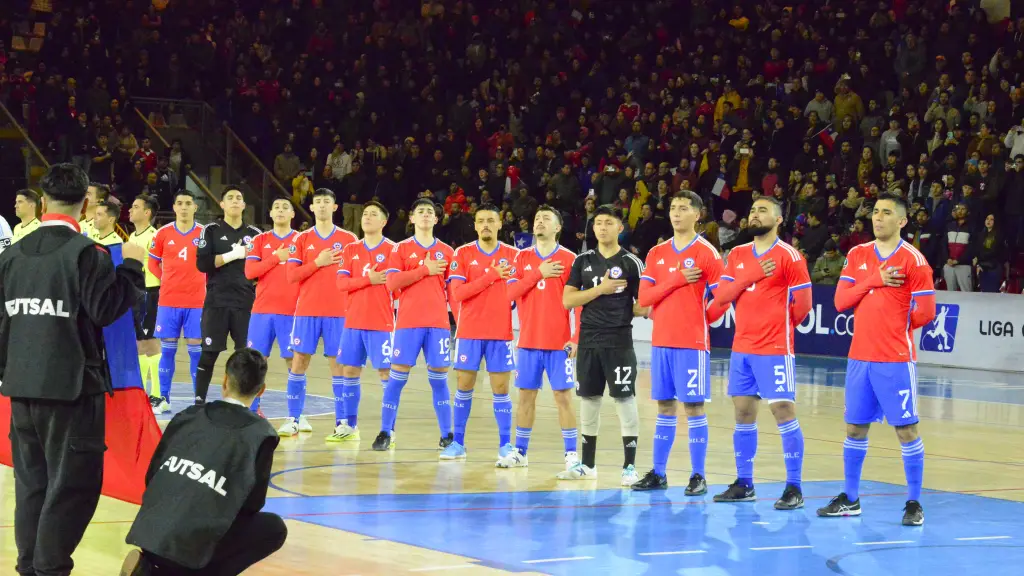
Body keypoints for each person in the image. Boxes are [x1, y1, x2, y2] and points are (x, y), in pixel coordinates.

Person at [0, 163, 145, 576]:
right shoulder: (86, 254)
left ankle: (29, 567)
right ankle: (49, 569)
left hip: (22, 389)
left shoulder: (11, 256)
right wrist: (132, 268)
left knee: (32, 488)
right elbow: (105, 310)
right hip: (71, 391)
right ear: (85, 205)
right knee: (72, 488)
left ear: (42, 202)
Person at [818, 192, 936, 526]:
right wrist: (875, 280)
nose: (878, 218)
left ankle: (914, 502)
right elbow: (841, 301)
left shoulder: (914, 260)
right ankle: (851, 499)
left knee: (906, 429)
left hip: (895, 359)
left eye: (886, 213)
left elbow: (926, 312)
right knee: (855, 428)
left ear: (902, 221)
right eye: (875, 213)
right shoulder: (857, 255)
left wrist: (894, 325)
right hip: (859, 358)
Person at [120, 348, 287, 576]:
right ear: (262, 390)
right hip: (189, 550)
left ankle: (151, 570)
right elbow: (252, 505)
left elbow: (152, 475)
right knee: (274, 529)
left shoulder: (188, 415)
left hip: (150, 534)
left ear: (225, 380)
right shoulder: (261, 434)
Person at [708, 196, 812, 510]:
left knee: (783, 412)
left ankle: (794, 486)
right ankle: (745, 482)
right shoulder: (738, 254)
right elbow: (722, 296)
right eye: (752, 210)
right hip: (742, 349)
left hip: (775, 349)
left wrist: (780, 329)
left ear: (779, 219)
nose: (755, 214)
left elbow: (804, 306)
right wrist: (750, 275)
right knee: (742, 413)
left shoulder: (789, 256)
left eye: (762, 210)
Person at [631, 191, 725, 494]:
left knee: (694, 408)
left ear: (697, 215)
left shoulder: (707, 253)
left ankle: (699, 475)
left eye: (683, 208)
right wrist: (677, 280)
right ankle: (659, 473)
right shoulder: (657, 253)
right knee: (665, 406)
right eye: (673, 207)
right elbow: (644, 299)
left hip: (691, 343)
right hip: (661, 342)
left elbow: (723, 297)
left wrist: (702, 319)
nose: (676, 213)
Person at [560, 205, 648, 485]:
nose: (602, 227)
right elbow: (567, 300)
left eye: (609, 223)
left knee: (624, 399)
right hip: (588, 340)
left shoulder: (632, 263)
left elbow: (643, 305)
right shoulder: (582, 260)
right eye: (598, 223)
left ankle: (629, 467)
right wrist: (601, 290)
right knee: (589, 399)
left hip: (619, 341)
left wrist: (631, 307)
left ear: (620, 228)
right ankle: (587, 464)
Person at [497, 205, 581, 474]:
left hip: (559, 344)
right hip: (529, 343)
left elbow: (578, 305)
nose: (540, 222)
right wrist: (539, 273)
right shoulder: (521, 258)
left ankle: (571, 455)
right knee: (525, 397)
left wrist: (576, 337)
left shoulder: (571, 258)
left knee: (564, 398)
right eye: (536, 219)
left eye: (546, 219)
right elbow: (509, 293)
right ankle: (520, 451)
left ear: (558, 227)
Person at [277, 188, 357, 436]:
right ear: (311, 208)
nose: (322, 205)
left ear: (335, 207)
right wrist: (317, 263)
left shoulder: (349, 239)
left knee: (339, 366)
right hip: (307, 312)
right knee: (299, 362)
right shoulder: (300, 240)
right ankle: (294, 418)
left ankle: (342, 423)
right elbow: (291, 276)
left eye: (327, 202)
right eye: (318, 202)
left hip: (339, 313)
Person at [378, 198, 455, 450]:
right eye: (419, 211)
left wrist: (461, 320)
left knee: (439, 380)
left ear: (436, 219)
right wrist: (425, 270)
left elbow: (452, 291)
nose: (424, 215)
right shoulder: (399, 249)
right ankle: (385, 431)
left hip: (439, 324)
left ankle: (447, 435)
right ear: (411, 219)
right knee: (396, 379)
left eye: (429, 212)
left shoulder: (448, 251)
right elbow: (391, 283)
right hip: (409, 323)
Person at [444, 204, 519, 460]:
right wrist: (492, 275)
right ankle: (458, 443)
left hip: (501, 333)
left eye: (490, 220)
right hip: (469, 332)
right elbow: (458, 293)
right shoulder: (462, 254)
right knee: (464, 386)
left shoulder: (514, 255)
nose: (485, 224)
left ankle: (505, 446)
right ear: (475, 226)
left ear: (500, 224)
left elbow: (520, 293)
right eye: (480, 221)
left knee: (501, 389)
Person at [332, 201, 395, 444]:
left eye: (373, 214)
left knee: (386, 373)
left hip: (382, 322)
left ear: (384, 222)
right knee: (349, 370)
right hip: (353, 321)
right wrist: (368, 279)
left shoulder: (393, 250)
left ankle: (388, 429)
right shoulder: (350, 250)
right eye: (365, 214)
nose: (367, 217)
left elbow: (394, 284)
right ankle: (350, 425)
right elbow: (340, 285)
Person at [194, 188, 263, 404]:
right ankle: (198, 403)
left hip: (245, 304)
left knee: (247, 358)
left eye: (239, 198)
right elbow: (202, 264)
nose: (235, 201)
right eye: (230, 198)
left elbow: (263, 270)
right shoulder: (211, 230)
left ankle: (249, 405)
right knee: (209, 354)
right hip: (217, 302)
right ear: (222, 204)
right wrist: (234, 254)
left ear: (244, 206)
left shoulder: (255, 234)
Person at [148, 192, 206, 414]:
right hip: (169, 300)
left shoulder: (204, 233)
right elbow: (153, 262)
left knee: (195, 352)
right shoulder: (163, 233)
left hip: (197, 302)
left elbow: (211, 263)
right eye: (180, 203)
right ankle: (164, 398)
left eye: (188, 203)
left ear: (195, 207)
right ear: (174, 207)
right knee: (167, 351)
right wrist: (166, 279)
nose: (184, 207)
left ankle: (198, 400)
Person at [244, 198, 298, 415]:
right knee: (256, 361)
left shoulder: (301, 240)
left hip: (292, 312)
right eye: (276, 207)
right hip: (262, 311)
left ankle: (296, 414)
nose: (281, 211)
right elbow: (250, 272)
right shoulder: (260, 240)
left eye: (285, 208)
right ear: (270, 213)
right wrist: (276, 257)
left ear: (293, 214)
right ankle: (254, 409)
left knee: (294, 362)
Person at [128, 194, 162, 399]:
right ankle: (142, 390)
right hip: (137, 293)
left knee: (150, 341)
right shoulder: (133, 236)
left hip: (151, 291)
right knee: (140, 341)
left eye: (135, 206)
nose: (130, 210)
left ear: (147, 213)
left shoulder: (155, 236)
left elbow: (162, 267)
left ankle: (156, 392)